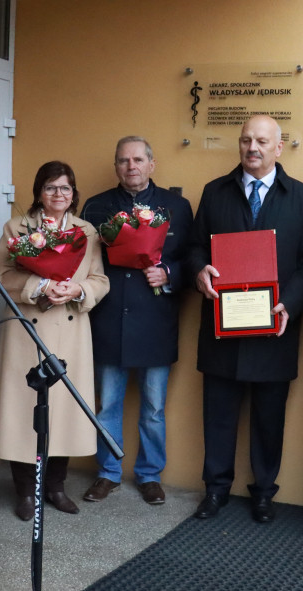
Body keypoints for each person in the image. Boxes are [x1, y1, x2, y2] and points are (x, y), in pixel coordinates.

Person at [184, 115, 303, 523]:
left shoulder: (302, 198)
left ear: (279, 148)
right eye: (246, 140)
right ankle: (215, 490)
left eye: (262, 141)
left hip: (275, 329)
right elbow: (195, 248)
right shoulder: (215, 192)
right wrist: (199, 271)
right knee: (219, 417)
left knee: (268, 420)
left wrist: (291, 304)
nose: (253, 148)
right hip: (222, 331)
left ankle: (264, 493)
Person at [0, 161, 109, 521]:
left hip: (71, 329)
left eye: (66, 188)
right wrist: (40, 285)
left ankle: (56, 487)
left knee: (64, 412)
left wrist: (77, 287)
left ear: (74, 194)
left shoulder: (86, 231)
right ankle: (26, 492)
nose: (59, 195)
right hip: (29, 329)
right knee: (24, 410)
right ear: (39, 191)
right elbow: (1, 274)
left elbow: (100, 280)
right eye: (51, 188)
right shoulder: (17, 227)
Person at [79, 136, 193, 505]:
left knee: (154, 409)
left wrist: (169, 274)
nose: (131, 166)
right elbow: (83, 261)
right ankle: (108, 472)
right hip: (109, 320)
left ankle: (149, 474)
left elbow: (192, 258)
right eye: (124, 161)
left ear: (152, 164)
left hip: (156, 321)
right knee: (107, 404)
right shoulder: (96, 207)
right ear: (116, 167)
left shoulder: (176, 206)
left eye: (138, 159)